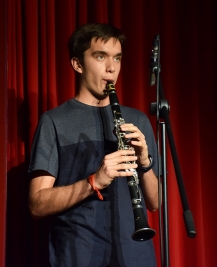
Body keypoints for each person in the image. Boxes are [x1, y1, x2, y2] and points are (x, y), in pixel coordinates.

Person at [28, 22, 159, 267]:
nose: (111, 68)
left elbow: (155, 202)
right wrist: (94, 182)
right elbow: (37, 204)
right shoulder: (54, 122)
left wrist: (144, 162)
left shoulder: (138, 120)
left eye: (117, 58)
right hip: (77, 255)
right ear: (77, 64)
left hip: (136, 256)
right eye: (101, 57)